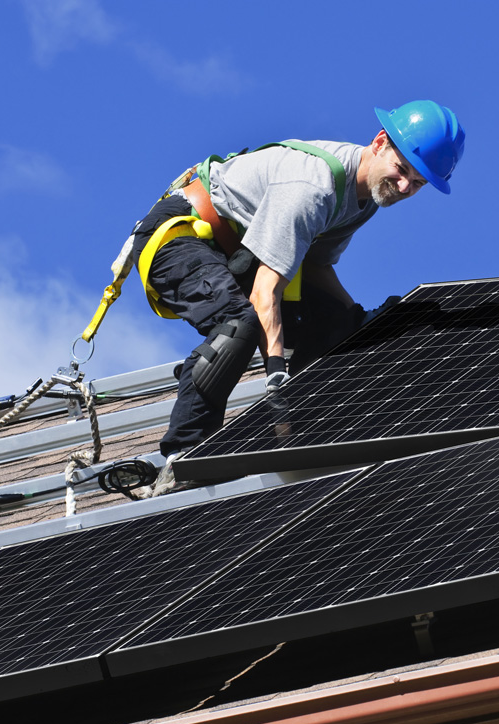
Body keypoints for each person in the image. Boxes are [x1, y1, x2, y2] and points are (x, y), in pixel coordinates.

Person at [130, 100, 465, 493]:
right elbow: (264, 292)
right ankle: (184, 458)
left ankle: (307, 431)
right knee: (238, 326)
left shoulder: (364, 199)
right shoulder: (314, 187)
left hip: (237, 254)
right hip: (179, 235)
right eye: (402, 169)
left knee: (341, 324)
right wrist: (276, 376)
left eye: (419, 182)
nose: (405, 186)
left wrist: (355, 318)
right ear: (379, 143)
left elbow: (317, 268)